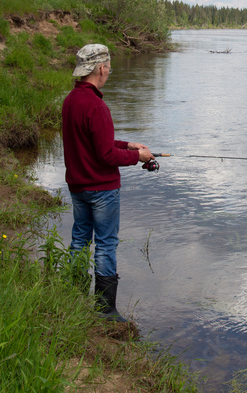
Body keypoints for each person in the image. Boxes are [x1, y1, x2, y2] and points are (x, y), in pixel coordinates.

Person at [62, 43, 154, 323]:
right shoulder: (97, 105)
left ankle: (73, 297)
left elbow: (96, 142)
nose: (109, 70)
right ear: (101, 68)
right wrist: (137, 157)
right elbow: (105, 154)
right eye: (108, 66)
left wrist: (128, 144)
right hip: (101, 189)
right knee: (105, 244)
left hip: (78, 186)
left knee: (79, 240)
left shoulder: (70, 100)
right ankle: (105, 310)